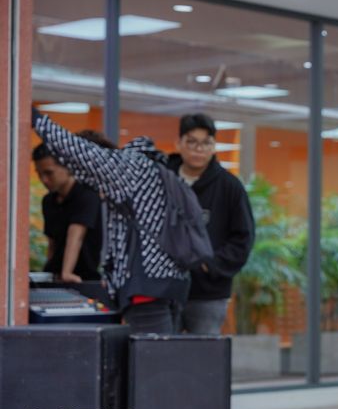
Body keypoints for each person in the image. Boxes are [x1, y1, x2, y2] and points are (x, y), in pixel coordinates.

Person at [32, 107, 190, 334]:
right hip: (163, 285)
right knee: (157, 351)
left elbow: (70, 146)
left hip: (147, 290)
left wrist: (35, 118)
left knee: (152, 353)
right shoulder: (144, 170)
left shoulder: (123, 171)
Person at [166, 113, 254, 334]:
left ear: (214, 146)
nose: (199, 149)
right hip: (164, 288)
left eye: (206, 143)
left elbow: (243, 237)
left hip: (208, 293)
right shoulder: (163, 179)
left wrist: (210, 264)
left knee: (205, 352)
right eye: (192, 142)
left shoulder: (229, 186)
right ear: (178, 143)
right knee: (161, 352)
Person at [32, 143, 103, 282]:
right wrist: (49, 274)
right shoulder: (48, 201)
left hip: (83, 278)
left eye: (49, 173)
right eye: (39, 174)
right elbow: (52, 243)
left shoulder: (87, 195)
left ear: (68, 167)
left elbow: (76, 235)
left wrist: (67, 273)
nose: (44, 180)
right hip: (55, 275)